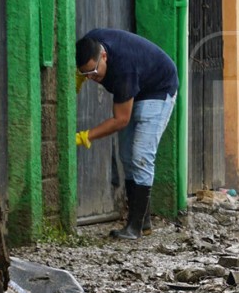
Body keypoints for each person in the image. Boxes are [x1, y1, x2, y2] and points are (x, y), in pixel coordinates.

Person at [75, 28, 178, 240]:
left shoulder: (123, 68)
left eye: (94, 72)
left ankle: (135, 227)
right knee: (126, 154)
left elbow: (120, 119)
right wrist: (79, 78)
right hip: (136, 87)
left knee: (141, 156)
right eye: (85, 74)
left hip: (158, 89)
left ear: (103, 56)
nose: (92, 78)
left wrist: (85, 136)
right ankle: (144, 221)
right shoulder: (91, 44)